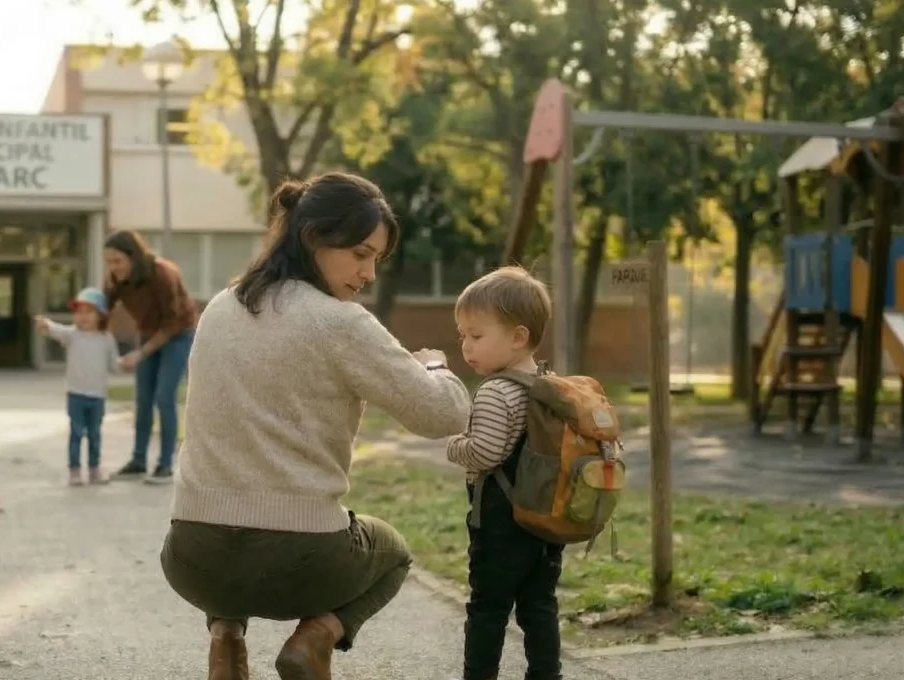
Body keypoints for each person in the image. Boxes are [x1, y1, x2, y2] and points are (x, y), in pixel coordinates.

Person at [159, 172, 472, 680]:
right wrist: (434, 366)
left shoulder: (220, 306)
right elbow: (444, 414)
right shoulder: (340, 322)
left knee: (232, 501)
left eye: (376, 259)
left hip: (193, 558)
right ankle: (316, 637)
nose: (369, 273)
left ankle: (225, 642)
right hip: (300, 560)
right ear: (314, 238)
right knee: (392, 552)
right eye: (361, 253)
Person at [444, 267, 561, 680]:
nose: (466, 346)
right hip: (545, 521)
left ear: (518, 337)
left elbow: (485, 451)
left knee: (488, 609)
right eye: (463, 336)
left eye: (477, 336)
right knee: (539, 604)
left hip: (503, 526)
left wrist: (453, 444)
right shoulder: (546, 384)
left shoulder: (496, 390)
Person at [102, 229, 199, 484]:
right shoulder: (115, 279)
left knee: (164, 397)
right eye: (108, 262)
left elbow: (171, 321)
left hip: (178, 333)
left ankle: (166, 464)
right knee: (143, 399)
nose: (113, 267)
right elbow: (103, 311)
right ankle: (138, 461)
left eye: (117, 261)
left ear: (133, 257)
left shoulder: (162, 273)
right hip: (148, 332)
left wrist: (140, 354)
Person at [33, 287, 121, 486]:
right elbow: (56, 330)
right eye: (79, 312)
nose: (83, 317)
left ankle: (94, 468)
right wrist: (45, 324)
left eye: (89, 312)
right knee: (76, 432)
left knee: (95, 434)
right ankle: (74, 469)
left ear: (100, 315)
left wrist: (125, 364)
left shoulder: (106, 339)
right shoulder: (72, 335)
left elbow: (114, 365)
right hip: (76, 394)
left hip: (97, 396)